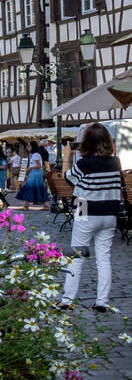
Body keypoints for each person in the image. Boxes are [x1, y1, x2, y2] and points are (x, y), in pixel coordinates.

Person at [60, 123, 124, 313]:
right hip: (109, 214)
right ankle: (102, 301)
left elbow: (68, 178)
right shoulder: (115, 162)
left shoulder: (84, 163)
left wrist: (67, 157)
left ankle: (67, 299)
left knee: (76, 257)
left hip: (86, 210)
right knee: (103, 258)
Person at [17, 141, 50, 209]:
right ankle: (45, 205)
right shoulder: (35, 154)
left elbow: (39, 165)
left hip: (35, 173)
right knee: (39, 188)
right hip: (35, 173)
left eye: (29, 146)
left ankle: (26, 206)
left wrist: (30, 168)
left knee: (29, 188)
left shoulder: (36, 155)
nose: (28, 147)